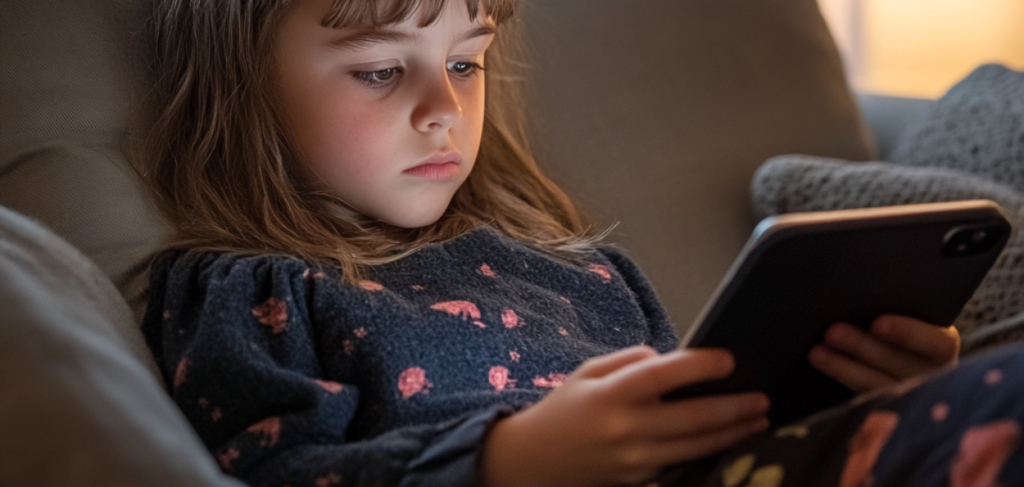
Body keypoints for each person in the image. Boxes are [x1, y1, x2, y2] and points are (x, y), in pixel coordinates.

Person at [140, 0, 1023, 486]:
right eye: (379, 70)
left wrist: (857, 389)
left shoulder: (578, 268)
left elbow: (705, 430)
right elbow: (281, 475)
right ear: (242, 88)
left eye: (463, 61)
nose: (443, 107)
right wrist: (507, 462)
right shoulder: (248, 291)